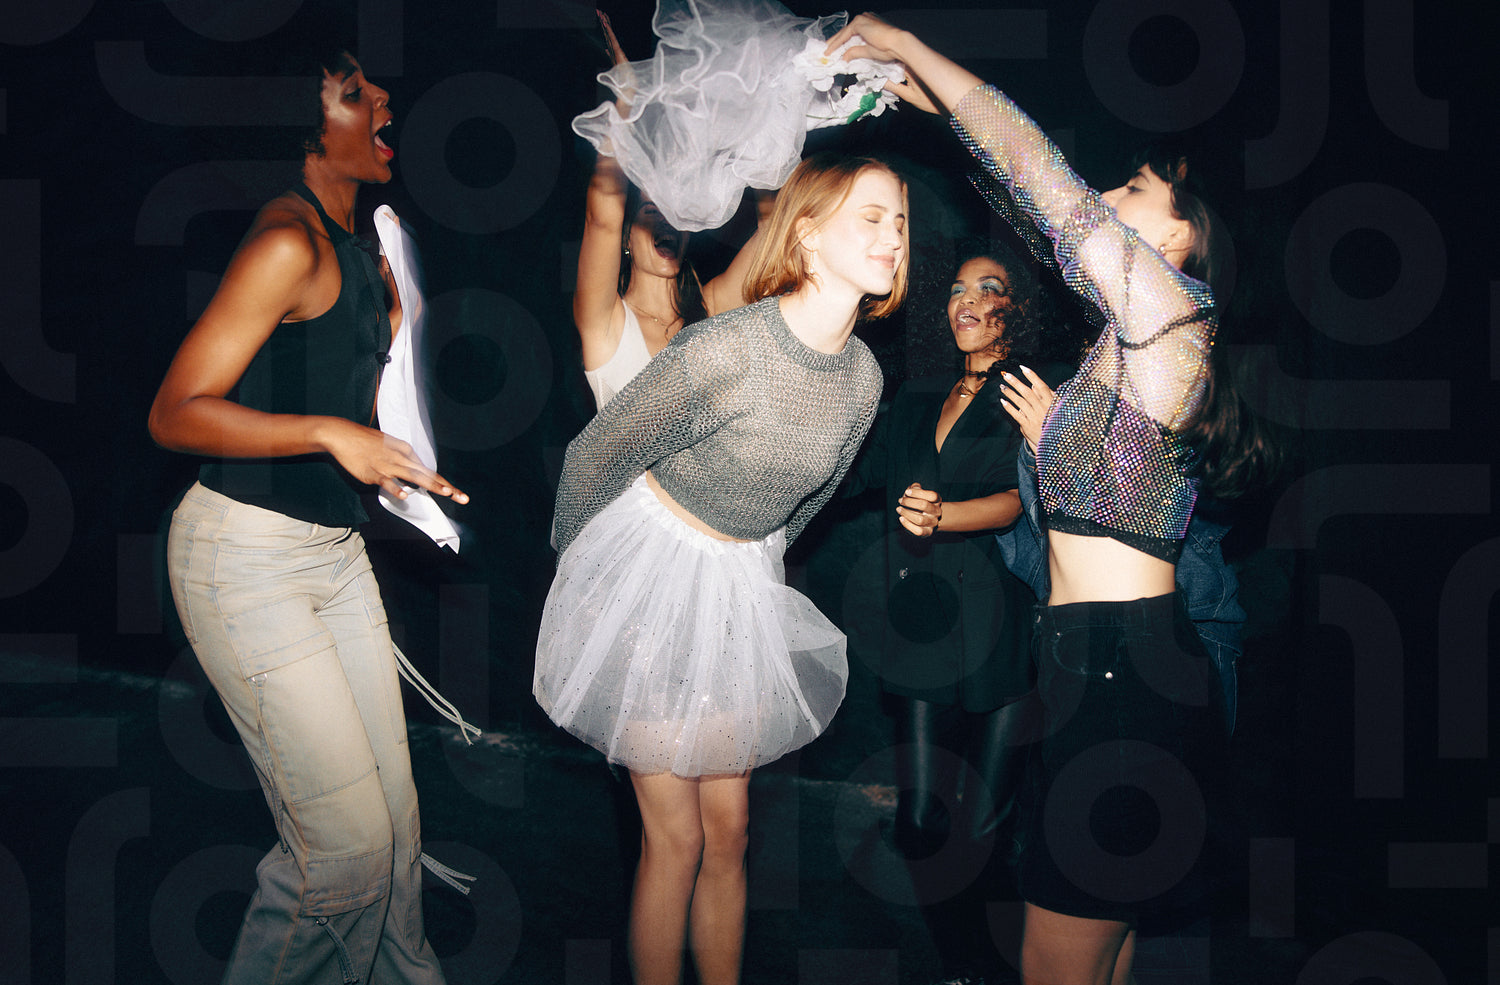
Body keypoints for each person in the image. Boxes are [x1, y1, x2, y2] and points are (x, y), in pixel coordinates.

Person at [830, 15, 1272, 984]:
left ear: (1182, 236)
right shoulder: (1127, 345)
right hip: (1088, 666)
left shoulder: (1174, 316)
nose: (1105, 200)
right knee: (1102, 954)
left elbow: (1038, 175)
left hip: (1126, 674)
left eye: (1132, 190)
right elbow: (1014, 190)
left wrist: (905, 40)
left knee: (1054, 964)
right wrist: (908, 96)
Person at [534, 152, 907, 985]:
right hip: (650, 578)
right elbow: (597, 455)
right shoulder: (725, 348)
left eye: (900, 220)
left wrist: (753, 570)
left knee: (730, 833)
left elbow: (805, 507)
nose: (893, 236)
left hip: (739, 585)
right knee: (676, 837)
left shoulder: (863, 379)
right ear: (807, 236)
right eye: (870, 217)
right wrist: (589, 589)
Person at [148, 47, 465, 985]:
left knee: (395, 833)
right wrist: (330, 431)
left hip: (332, 553)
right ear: (305, 129)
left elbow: (352, 386)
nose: (384, 99)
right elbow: (174, 412)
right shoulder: (287, 243)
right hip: (245, 561)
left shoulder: (364, 241)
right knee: (344, 853)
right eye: (353, 94)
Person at [847, 242, 1070, 984]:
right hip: (921, 622)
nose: (967, 299)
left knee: (985, 827)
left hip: (1002, 625)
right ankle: (964, 963)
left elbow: (1022, 496)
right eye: (955, 289)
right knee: (919, 823)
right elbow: (857, 468)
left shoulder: (1030, 390)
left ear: (1017, 308)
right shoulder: (918, 395)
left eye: (988, 287)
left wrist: (945, 514)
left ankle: (992, 970)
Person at [574, 11, 768, 410]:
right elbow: (602, 218)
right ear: (627, 238)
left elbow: (773, 231)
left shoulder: (712, 308)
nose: (667, 219)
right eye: (650, 210)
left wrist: (762, 123)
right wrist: (627, 98)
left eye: (675, 209)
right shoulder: (607, 322)